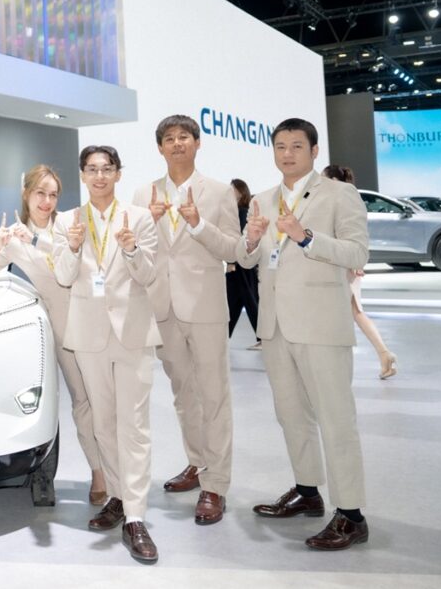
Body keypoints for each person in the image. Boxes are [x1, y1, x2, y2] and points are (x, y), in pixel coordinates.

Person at [237, 118, 371, 551]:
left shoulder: (339, 194)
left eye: (297, 145)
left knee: (336, 419)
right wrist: (250, 240)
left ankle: (351, 515)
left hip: (321, 325)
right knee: (291, 415)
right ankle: (307, 491)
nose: (287, 153)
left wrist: (306, 237)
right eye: (280, 146)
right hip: (275, 326)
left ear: (314, 151)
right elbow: (248, 259)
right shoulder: (262, 199)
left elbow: (358, 252)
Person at [0, 164, 107, 506]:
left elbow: (77, 265)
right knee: (82, 402)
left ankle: (119, 471)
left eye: (53, 195)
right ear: (26, 194)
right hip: (62, 327)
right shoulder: (14, 238)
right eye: (40, 193)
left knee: (106, 399)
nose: (47, 201)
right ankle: (99, 472)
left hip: (93, 317)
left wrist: (35, 239)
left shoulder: (70, 224)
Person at [53, 145, 160, 564]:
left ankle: (135, 516)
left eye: (107, 169)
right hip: (89, 335)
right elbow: (64, 277)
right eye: (92, 169)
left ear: (118, 174)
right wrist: (72, 247)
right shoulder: (67, 221)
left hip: (132, 332)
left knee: (134, 425)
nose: (100, 176)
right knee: (104, 423)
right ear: (82, 175)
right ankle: (117, 494)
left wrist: (132, 250)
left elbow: (148, 275)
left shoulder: (140, 217)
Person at [132, 115, 241, 526]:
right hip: (162, 308)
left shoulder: (219, 192)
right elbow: (133, 250)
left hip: (206, 308)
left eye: (184, 137)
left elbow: (232, 249)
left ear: (197, 143)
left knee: (214, 395)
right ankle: (197, 462)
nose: (177, 143)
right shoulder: (143, 193)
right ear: (160, 148)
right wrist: (149, 222)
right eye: (169, 138)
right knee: (184, 395)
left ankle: (216, 485)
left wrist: (198, 224)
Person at [322, 165, 397, 379]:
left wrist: (356, 261)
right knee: (353, 311)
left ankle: (382, 354)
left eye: (323, 178)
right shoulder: (342, 198)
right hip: (339, 262)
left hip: (344, 263)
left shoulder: (343, 199)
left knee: (352, 311)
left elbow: (355, 233)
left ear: (333, 180)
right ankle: (384, 355)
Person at [225, 179, 260, 347]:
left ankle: (263, 337)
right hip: (241, 265)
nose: (229, 192)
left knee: (248, 300)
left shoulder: (241, 212)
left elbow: (237, 239)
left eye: (232, 189)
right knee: (234, 301)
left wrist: (231, 262)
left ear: (240, 192)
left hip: (240, 265)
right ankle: (224, 337)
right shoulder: (239, 211)